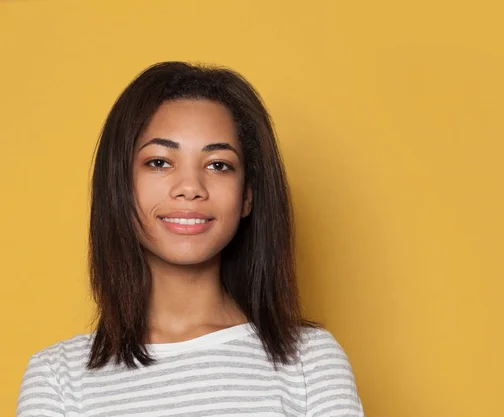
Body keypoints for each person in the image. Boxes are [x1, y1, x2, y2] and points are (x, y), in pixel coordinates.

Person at [16, 61, 365, 416]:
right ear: (119, 185)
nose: (190, 188)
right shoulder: (58, 378)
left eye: (218, 165)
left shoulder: (309, 362)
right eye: (159, 162)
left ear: (248, 195)